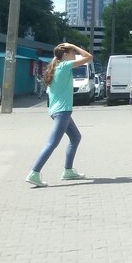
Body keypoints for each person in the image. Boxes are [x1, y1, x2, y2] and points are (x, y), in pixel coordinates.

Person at [25, 43, 93, 187]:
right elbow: (89, 57)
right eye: (73, 52)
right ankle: (34, 173)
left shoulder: (55, 66)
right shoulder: (64, 66)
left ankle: (68, 171)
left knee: (75, 137)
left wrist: (68, 48)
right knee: (52, 143)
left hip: (59, 111)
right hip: (62, 111)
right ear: (66, 55)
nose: (75, 55)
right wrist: (73, 45)